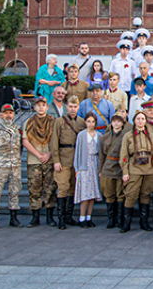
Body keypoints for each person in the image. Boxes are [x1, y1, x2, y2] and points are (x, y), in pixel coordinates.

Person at [51, 96, 87, 229]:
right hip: (63, 157)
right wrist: (56, 160)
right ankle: (60, 218)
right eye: (70, 106)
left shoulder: (81, 122)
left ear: (78, 107)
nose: (73, 109)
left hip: (76, 159)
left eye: (75, 106)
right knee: (62, 187)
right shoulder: (59, 121)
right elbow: (54, 141)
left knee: (72, 187)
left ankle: (68, 216)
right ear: (66, 106)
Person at [120, 110, 153, 233]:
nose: (140, 121)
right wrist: (125, 171)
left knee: (146, 195)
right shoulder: (128, 135)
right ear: (134, 121)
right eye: (138, 119)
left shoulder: (150, 133)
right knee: (130, 195)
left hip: (149, 168)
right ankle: (127, 223)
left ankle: (144, 222)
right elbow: (124, 155)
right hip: (135, 167)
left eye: (142, 118)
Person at [23, 97, 58, 228]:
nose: (41, 107)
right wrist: (38, 154)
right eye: (38, 105)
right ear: (34, 107)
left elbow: (56, 139)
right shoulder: (28, 122)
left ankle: (49, 216)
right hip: (34, 160)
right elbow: (25, 140)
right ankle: (35, 217)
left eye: (43, 105)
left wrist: (49, 154)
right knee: (34, 188)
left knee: (50, 188)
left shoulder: (53, 122)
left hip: (49, 159)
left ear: (47, 107)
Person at [73, 112, 103, 228]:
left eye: (93, 121)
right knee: (85, 194)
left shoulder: (99, 135)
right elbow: (77, 152)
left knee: (92, 193)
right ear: (85, 122)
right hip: (84, 164)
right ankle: (82, 217)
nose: (91, 124)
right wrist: (77, 168)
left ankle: (89, 216)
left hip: (94, 163)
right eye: (88, 121)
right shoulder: (81, 135)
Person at [98, 113, 128, 229]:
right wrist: (100, 169)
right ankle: (111, 219)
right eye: (114, 121)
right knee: (109, 195)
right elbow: (101, 155)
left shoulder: (125, 136)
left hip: (119, 166)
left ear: (122, 123)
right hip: (108, 166)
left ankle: (120, 219)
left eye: (119, 121)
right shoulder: (105, 136)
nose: (116, 123)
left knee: (120, 195)